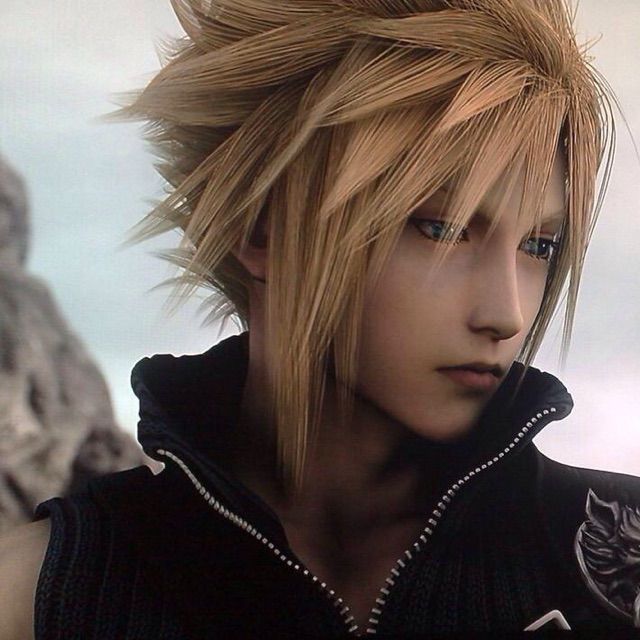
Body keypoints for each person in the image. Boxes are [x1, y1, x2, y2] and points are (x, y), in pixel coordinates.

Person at [2, 0, 640, 637]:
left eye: (539, 246)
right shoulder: (44, 592)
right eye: (441, 229)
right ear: (261, 229)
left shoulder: (623, 563)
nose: (507, 313)